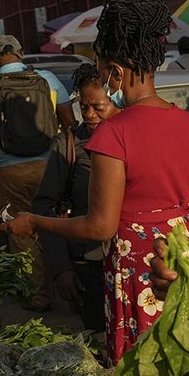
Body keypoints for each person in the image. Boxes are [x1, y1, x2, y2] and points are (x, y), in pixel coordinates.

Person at [2, 0, 189, 376]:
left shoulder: (113, 132)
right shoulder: (186, 121)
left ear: (116, 72)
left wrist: (36, 222)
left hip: (144, 269)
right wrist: (183, 235)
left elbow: (100, 226)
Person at [0, 34, 74, 312]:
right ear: (20, 52)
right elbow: (70, 124)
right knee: (58, 223)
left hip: (10, 170)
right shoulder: (47, 80)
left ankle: (38, 296)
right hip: (50, 167)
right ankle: (73, 290)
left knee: (21, 232)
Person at [30, 64, 117, 332]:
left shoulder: (134, 139)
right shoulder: (67, 145)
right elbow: (44, 206)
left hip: (133, 264)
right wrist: (61, 268)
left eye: (98, 107)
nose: (89, 115)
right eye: (84, 106)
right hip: (88, 265)